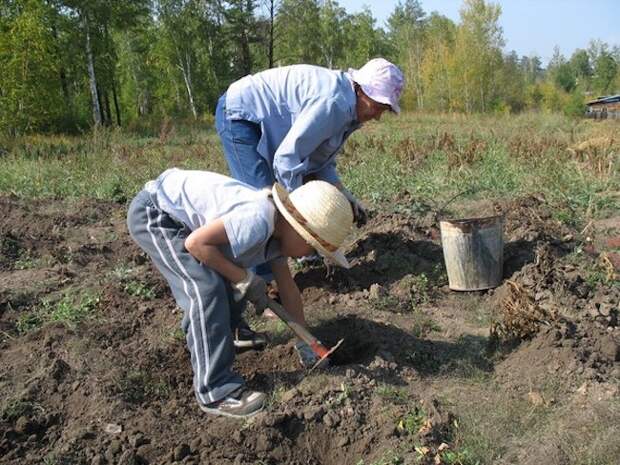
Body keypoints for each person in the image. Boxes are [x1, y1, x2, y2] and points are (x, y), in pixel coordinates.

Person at [127, 168, 354, 418]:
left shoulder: (279, 237)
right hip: (158, 216)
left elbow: (288, 289)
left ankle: (233, 331)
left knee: (231, 272)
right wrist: (244, 278)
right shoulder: (257, 220)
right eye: (311, 246)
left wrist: (305, 340)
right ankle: (215, 391)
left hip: (190, 227)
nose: (308, 254)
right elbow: (195, 244)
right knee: (206, 289)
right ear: (296, 227)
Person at [215, 57, 404, 284]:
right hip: (240, 115)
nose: (378, 115)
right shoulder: (333, 103)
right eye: (377, 106)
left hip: (258, 120)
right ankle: (265, 285)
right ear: (362, 90)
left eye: (383, 109)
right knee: (261, 202)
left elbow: (319, 161)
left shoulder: (351, 110)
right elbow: (286, 160)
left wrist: (345, 196)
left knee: (279, 206)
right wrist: (303, 217)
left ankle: (294, 258)